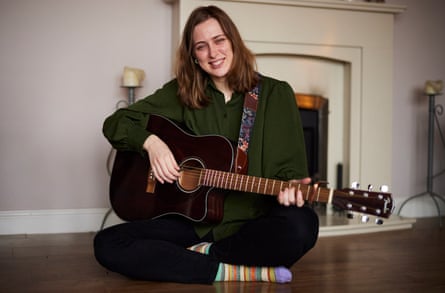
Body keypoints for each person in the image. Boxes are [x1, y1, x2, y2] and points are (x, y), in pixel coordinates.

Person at [94, 5, 319, 284]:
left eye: (219, 41)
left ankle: (201, 257)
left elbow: (291, 173)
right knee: (107, 243)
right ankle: (228, 270)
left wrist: (290, 192)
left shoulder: (276, 94)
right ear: (194, 56)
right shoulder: (182, 93)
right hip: (194, 223)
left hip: (252, 224)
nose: (213, 54)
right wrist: (151, 143)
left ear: (233, 41)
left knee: (302, 226)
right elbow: (115, 122)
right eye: (201, 47)